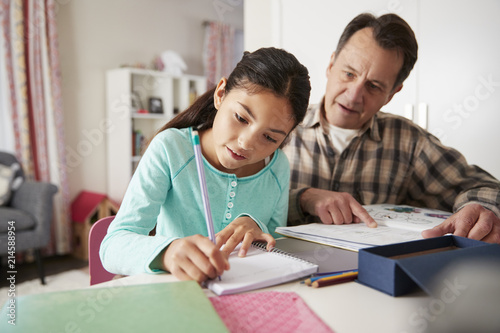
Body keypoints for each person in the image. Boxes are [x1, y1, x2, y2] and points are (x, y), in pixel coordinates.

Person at [283, 13, 500, 244]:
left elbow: (485, 187)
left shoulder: (409, 142)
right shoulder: (279, 126)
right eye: (349, 74)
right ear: (330, 64)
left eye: (374, 86)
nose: (354, 95)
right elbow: (240, 196)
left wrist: (480, 209)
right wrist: (302, 198)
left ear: (392, 93)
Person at [100, 47, 311, 283]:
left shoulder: (277, 166)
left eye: (270, 138)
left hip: (244, 296)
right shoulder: (171, 149)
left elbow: (276, 242)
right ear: (220, 93)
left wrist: (256, 226)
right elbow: (112, 246)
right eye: (241, 118)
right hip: (175, 295)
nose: (245, 143)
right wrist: (167, 253)